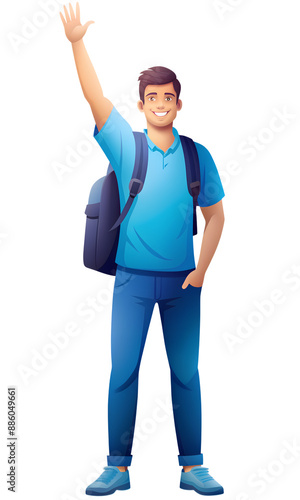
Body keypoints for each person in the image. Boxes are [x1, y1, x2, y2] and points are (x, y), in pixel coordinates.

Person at [60, 3, 225, 496]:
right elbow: (94, 97)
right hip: (131, 281)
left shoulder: (198, 154)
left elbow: (216, 217)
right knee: (124, 371)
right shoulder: (125, 146)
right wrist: (76, 44)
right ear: (141, 103)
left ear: (179, 103)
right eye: (151, 96)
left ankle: (192, 466)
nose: (160, 103)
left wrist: (201, 272)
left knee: (186, 373)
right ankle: (118, 466)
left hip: (182, 282)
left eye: (167, 96)